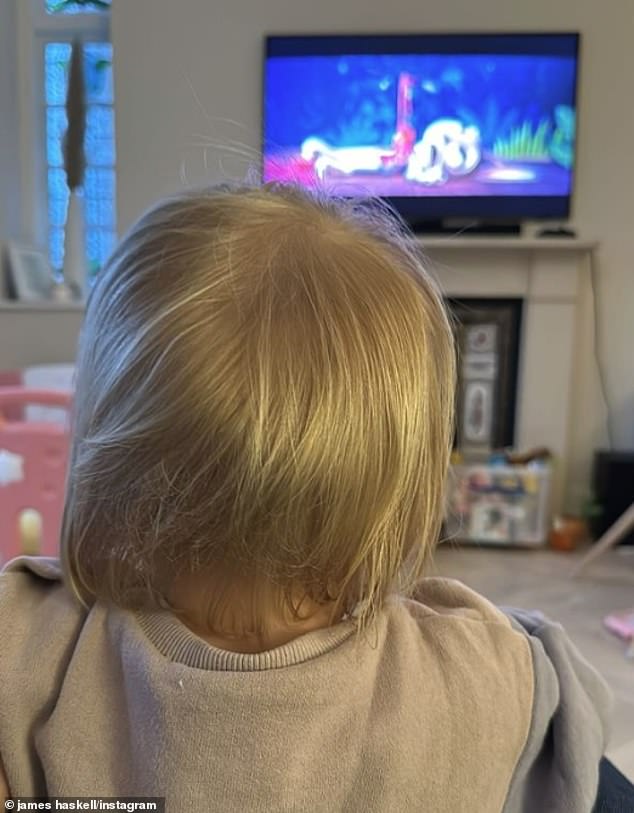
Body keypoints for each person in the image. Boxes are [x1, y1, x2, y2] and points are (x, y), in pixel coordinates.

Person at [0, 184, 627, 811]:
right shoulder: (489, 673)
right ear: (411, 493)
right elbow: (579, 759)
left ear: (102, 455)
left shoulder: (29, 653)